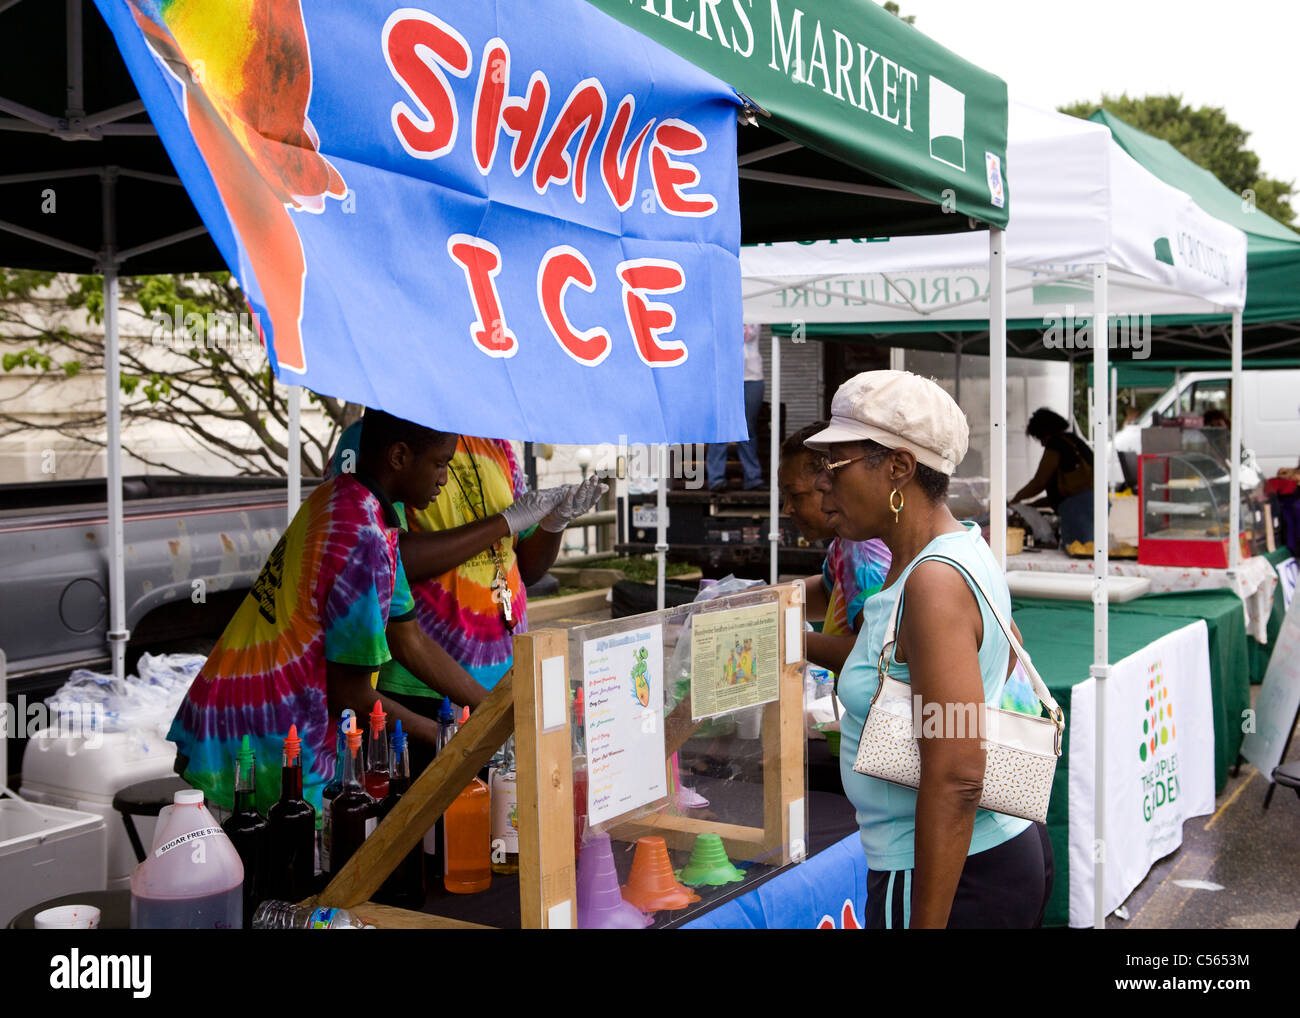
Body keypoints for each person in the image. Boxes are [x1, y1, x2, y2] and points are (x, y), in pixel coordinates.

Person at [806, 370, 1053, 929]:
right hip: (981, 860)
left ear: (898, 467)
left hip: (946, 879)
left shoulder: (934, 581)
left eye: (833, 464)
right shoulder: (955, 550)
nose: (821, 482)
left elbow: (958, 773)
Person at [168, 410, 489, 821]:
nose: (444, 478)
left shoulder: (348, 499)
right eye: (441, 463)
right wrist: (451, 739)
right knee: (288, 878)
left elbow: (407, 637)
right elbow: (350, 694)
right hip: (261, 744)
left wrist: (495, 707)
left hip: (236, 720)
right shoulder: (361, 535)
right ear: (399, 456)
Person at [328, 421, 603, 774]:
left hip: (503, 682)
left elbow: (526, 567)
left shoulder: (497, 442)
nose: (441, 477)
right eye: (439, 465)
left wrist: (554, 522)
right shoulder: (392, 434)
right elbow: (387, 556)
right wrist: (505, 521)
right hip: (422, 686)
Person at [778, 421, 890, 674]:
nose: (788, 509)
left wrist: (776, 634)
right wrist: (753, 604)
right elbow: (829, 590)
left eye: (796, 495)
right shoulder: (848, 542)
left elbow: (871, 654)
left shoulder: (864, 552)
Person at [1011, 408, 1094, 548]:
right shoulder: (1074, 442)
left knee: (1078, 551)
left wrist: (1016, 499)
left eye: (1039, 438)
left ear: (1044, 432)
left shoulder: (1056, 444)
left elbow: (1039, 482)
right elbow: (1062, 492)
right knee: (1088, 549)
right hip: (1090, 505)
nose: (1042, 444)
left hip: (1079, 511)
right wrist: (1032, 505)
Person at [707, 323, 764, 490]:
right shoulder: (721, 307)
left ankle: (753, 478)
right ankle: (716, 479)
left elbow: (747, 335)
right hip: (725, 376)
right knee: (721, 427)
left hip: (752, 376)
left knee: (748, 428)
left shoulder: (757, 309)